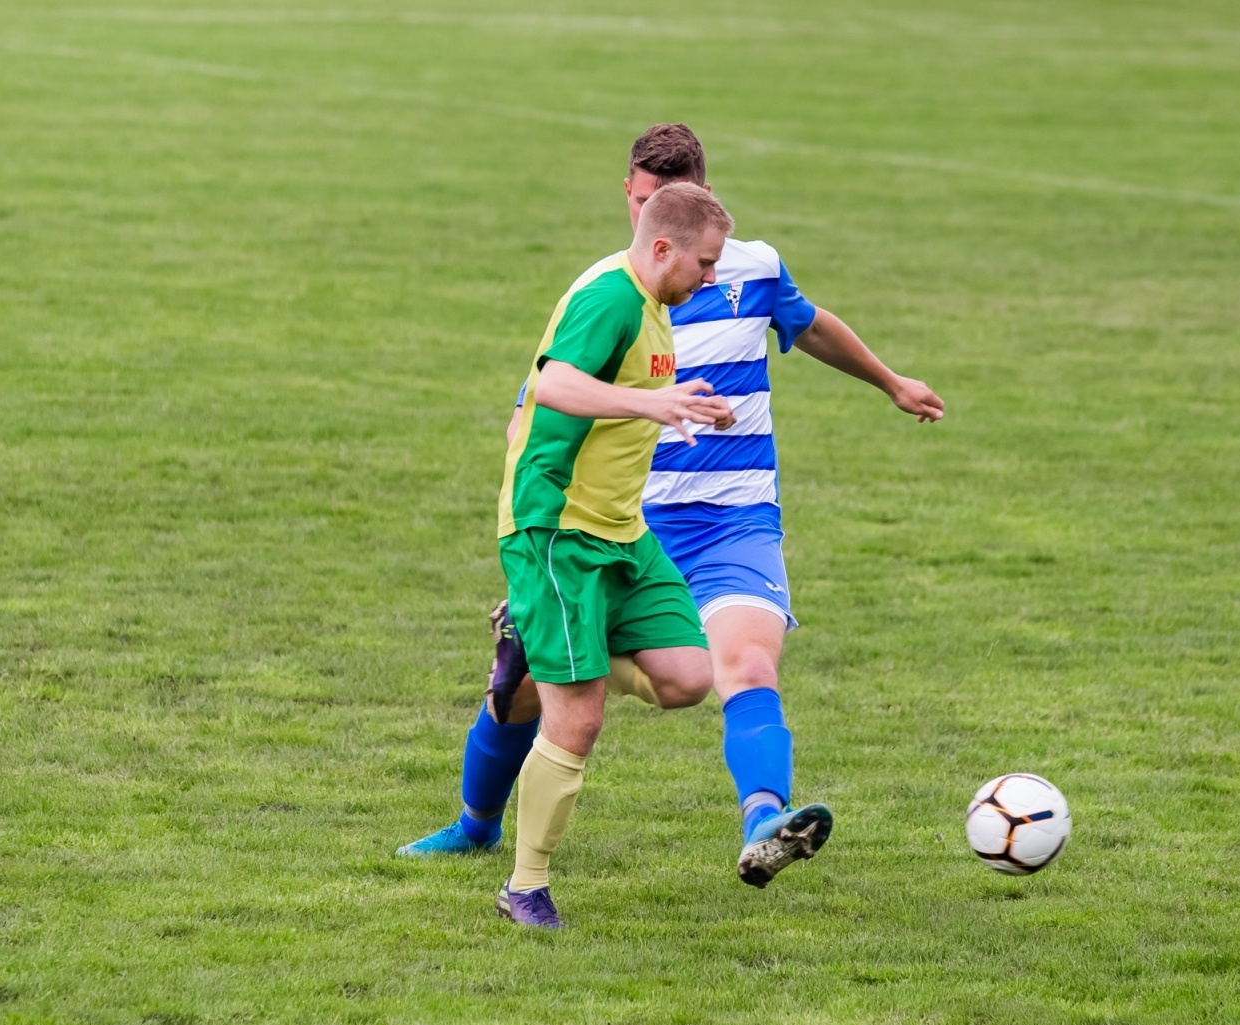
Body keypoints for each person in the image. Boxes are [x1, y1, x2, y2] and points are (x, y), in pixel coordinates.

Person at [399, 124, 943, 892]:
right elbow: (540, 401)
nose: (647, 220)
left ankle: (764, 822)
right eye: (639, 201)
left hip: (734, 519)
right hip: (624, 523)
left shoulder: (748, 270)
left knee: (741, 663)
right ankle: (475, 824)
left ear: (702, 201)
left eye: (665, 202)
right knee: (527, 690)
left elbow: (811, 323)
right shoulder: (609, 291)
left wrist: (891, 381)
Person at [480, 182, 737, 928]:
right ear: (662, 248)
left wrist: (682, 396)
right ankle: (525, 887)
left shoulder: (655, 302)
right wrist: (656, 403)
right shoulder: (612, 297)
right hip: (556, 528)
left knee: (688, 678)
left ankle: (537, 643)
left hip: (623, 532)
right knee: (578, 719)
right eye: (705, 263)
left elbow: (619, 386)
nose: (712, 277)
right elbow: (555, 382)